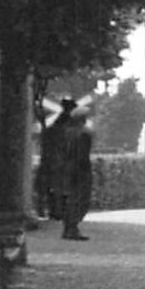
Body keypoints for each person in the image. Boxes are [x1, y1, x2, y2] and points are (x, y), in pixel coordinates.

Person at [38, 98, 94, 241]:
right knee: (80, 200)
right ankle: (71, 228)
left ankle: (69, 228)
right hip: (78, 171)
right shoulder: (84, 135)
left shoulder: (63, 132)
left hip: (64, 170)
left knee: (69, 200)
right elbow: (83, 156)